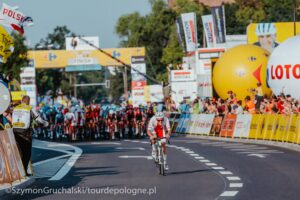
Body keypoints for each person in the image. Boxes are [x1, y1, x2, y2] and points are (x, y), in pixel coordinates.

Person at [12, 95, 48, 175]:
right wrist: (46, 124)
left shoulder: (16, 108)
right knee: (26, 153)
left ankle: (17, 171)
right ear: (28, 101)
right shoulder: (30, 109)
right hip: (25, 134)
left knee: (18, 152)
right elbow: (39, 120)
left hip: (14, 133)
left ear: (22, 101)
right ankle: (24, 171)